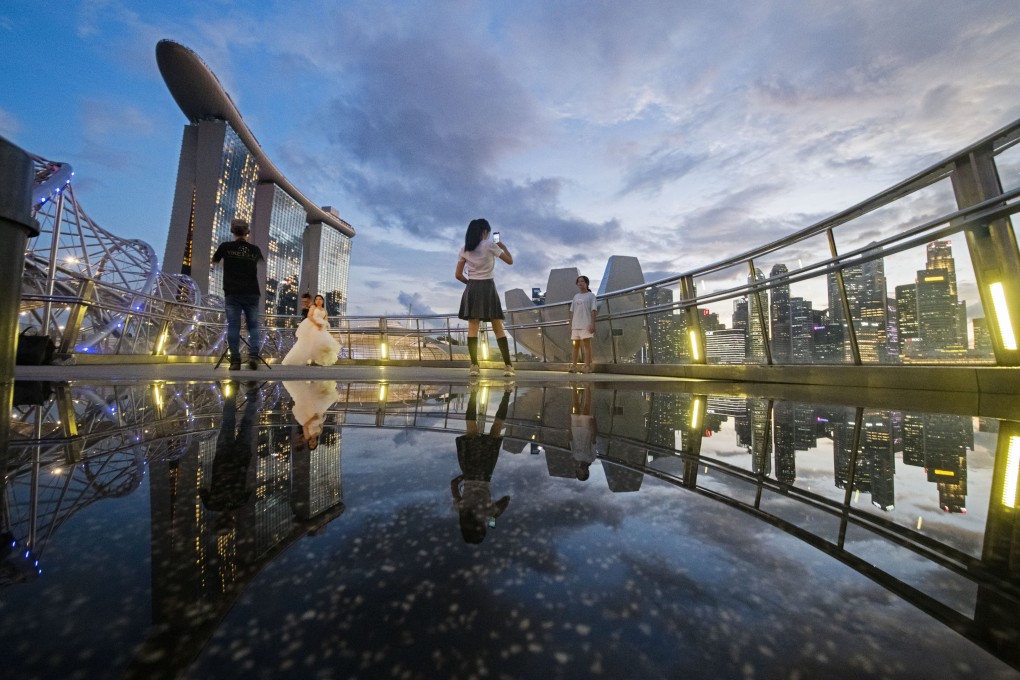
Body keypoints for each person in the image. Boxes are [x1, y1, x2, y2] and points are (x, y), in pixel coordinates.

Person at [451, 386, 512, 543]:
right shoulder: (461, 509)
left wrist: (493, 520)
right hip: (469, 469)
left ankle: (507, 393)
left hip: (485, 472)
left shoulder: (487, 514)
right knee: (471, 428)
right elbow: (453, 484)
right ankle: (473, 393)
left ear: (482, 528)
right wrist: (464, 476)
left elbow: (506, 500)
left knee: (496, 429)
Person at [455, 218, 514, 377]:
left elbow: (458, 275)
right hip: (488, 287)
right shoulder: (490, 245)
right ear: (484, 231)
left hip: (472, 288)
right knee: (498, 327)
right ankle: (508, 366)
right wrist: (503, 247)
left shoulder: (464, 249)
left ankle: (474, 366)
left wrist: (469, 283)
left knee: (472, 328)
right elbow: (510, 261)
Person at [212, 218, 265, 370]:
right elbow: (261, 262)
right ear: (247, 232)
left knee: (234, 326)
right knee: (253, 326)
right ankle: (254, 356)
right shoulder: (255, 249)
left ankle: (235, 360)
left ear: (232, 231)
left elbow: (214, 261)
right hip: (252, 292)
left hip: (232, 292)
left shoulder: (225, 247)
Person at [282, 294, 341, 366]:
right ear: (315, 301)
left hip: (321, 327)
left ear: (323, 301)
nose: (318, 301)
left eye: (320, 299)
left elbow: (325, 318)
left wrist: (324, 324)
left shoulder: (324, 310)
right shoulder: (313, 307)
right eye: (316, 299)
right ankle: (310, 359)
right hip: (313, 326)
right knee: (311, 343)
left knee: (322, 344)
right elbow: (309, 316)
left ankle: (318, 360)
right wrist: (317, 324)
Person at [283, 380, 340, 450]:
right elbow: (321, 423)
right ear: (316, 443)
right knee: (321, 395)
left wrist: (313, 419)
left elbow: (305, 426)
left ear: (308, 443)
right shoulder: (319, 432)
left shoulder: (307, 436)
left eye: (310, 444)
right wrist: (320, 416)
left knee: (309, 396)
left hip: (310, 415)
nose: (312, 443)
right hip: (318, 412)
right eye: (314, 444)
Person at [569, 275, 598, 373]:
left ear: (586, 283)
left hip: (586, 324)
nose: (580, 283)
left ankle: (587, 366)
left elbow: (594, 310)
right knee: (575, 345)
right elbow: (572, 311)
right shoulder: (576, 296)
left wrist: (592, 324)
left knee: (586, 345)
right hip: (575, 325)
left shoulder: (591, 295)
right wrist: (570, 324)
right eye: (578, 282)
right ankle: (574, 366)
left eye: (582, 281)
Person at [570, 382, 598, 481]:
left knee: (576, 408)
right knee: (586, 408)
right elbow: (593, 441)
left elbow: (571, 440)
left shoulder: (576, 457)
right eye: (580, 473)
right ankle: (587, 387)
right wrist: (593, 427)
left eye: (577, 473)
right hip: (586, 431)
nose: (578, 471)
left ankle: (573, 386)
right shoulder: (591, 458)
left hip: (576, 431)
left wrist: (569, 427)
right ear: (586, 472)